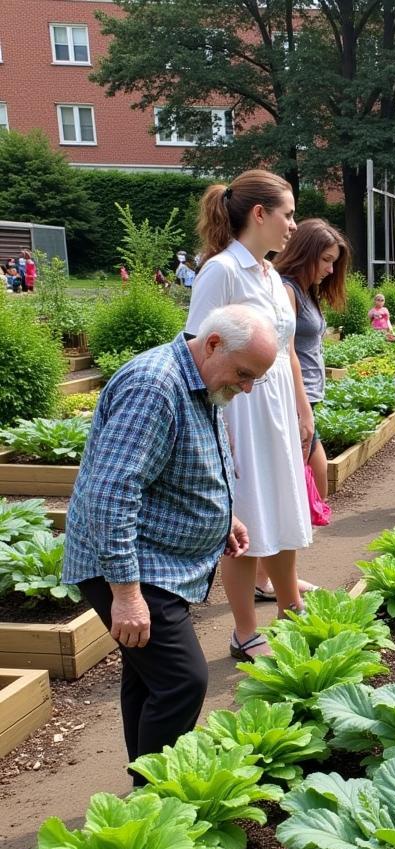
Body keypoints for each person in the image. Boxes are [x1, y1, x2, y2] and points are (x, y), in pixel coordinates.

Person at [61, 305, 278, 781]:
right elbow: (111, 492)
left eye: (254, 379)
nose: (245, 386)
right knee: (182, 681)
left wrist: (224, 518)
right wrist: (126, 594)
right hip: (131, 562)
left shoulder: (202, 380)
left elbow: (186, 461)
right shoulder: (153, 387)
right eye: (244, 373)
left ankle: (146, 788)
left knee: (149, 679)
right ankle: (159, 796)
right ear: (214, 342)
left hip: (155, 558)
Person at [185, 169, 313, 661]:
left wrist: (304, 412)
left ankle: (291, 607)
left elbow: (289, 352)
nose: (293, 225)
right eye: (288, 214)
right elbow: (197, 349)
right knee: (246, 516)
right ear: (259, 214)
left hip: (278, 407)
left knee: (283, 504)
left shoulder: (273, 278)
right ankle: (243, 631)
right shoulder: (222, 271)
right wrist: (213, 427)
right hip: (239, 410)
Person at [250, 218, 349, 600]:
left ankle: (269, 578)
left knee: (306, 490)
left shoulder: (305, 291)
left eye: (333, 262)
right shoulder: (286, 289)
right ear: (306, 253)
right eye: (325, 260)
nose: (328, 270)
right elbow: (283, 352)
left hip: (306, 398)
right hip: (292, 401)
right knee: (304, 489)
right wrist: (300, 408)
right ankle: (273, 579)